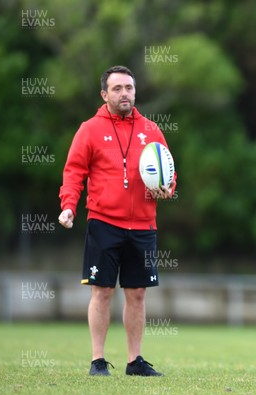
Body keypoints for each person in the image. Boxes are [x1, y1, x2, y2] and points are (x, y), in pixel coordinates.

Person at [58, 65, 175, 376]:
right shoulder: (89, 129)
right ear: (104, 94)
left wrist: (168, 188)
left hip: (143, 226)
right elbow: (73, 172)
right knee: (103, 291)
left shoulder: (151, 130)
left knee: (137, 293)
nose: (125, 94)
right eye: (118, 89)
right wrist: (68, 206)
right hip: (104, 223)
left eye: (129, 88)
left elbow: (168, 170)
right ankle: (98, 360)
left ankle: (134, 361)